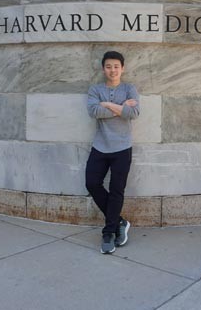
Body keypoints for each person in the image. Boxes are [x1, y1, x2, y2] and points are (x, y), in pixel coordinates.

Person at [85, 51, 139, 254]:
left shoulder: (129, 88)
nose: (113, 70)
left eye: (116, 66)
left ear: (122, 68)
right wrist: (120, 107)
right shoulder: (95, 89)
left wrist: (106, 104)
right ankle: (120, 222)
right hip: (100, 146)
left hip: (122, 148)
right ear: (103, 68)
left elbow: (133, 113)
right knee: (91, 183)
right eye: (108, 66)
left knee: (117, 190)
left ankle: (108, 233)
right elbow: (93, 112)